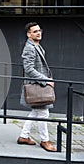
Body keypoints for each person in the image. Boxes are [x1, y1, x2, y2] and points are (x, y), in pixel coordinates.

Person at [17, 22, 56, 152]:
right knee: (44, 113)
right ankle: (45, 140)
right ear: (28, 35)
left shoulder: (36, 45)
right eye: (35, 31)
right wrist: (46, 80)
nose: (38, 33)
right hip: (37, 86)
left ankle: (23, 136)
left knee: (36, 112)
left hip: (39, 85)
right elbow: (28, 68)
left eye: (39, 30)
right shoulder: (29, 47)